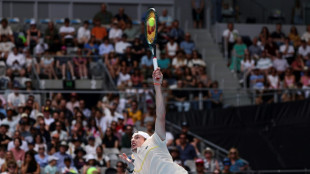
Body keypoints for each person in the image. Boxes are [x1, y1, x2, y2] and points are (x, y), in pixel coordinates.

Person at [119, 67, 188, 174]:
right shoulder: (137, 164)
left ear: (146, 138)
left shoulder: (155, 141)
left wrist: (157, 86)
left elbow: (160, 115)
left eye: (137, 137)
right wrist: (130, 167)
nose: (133, 140)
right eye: (132, 138)